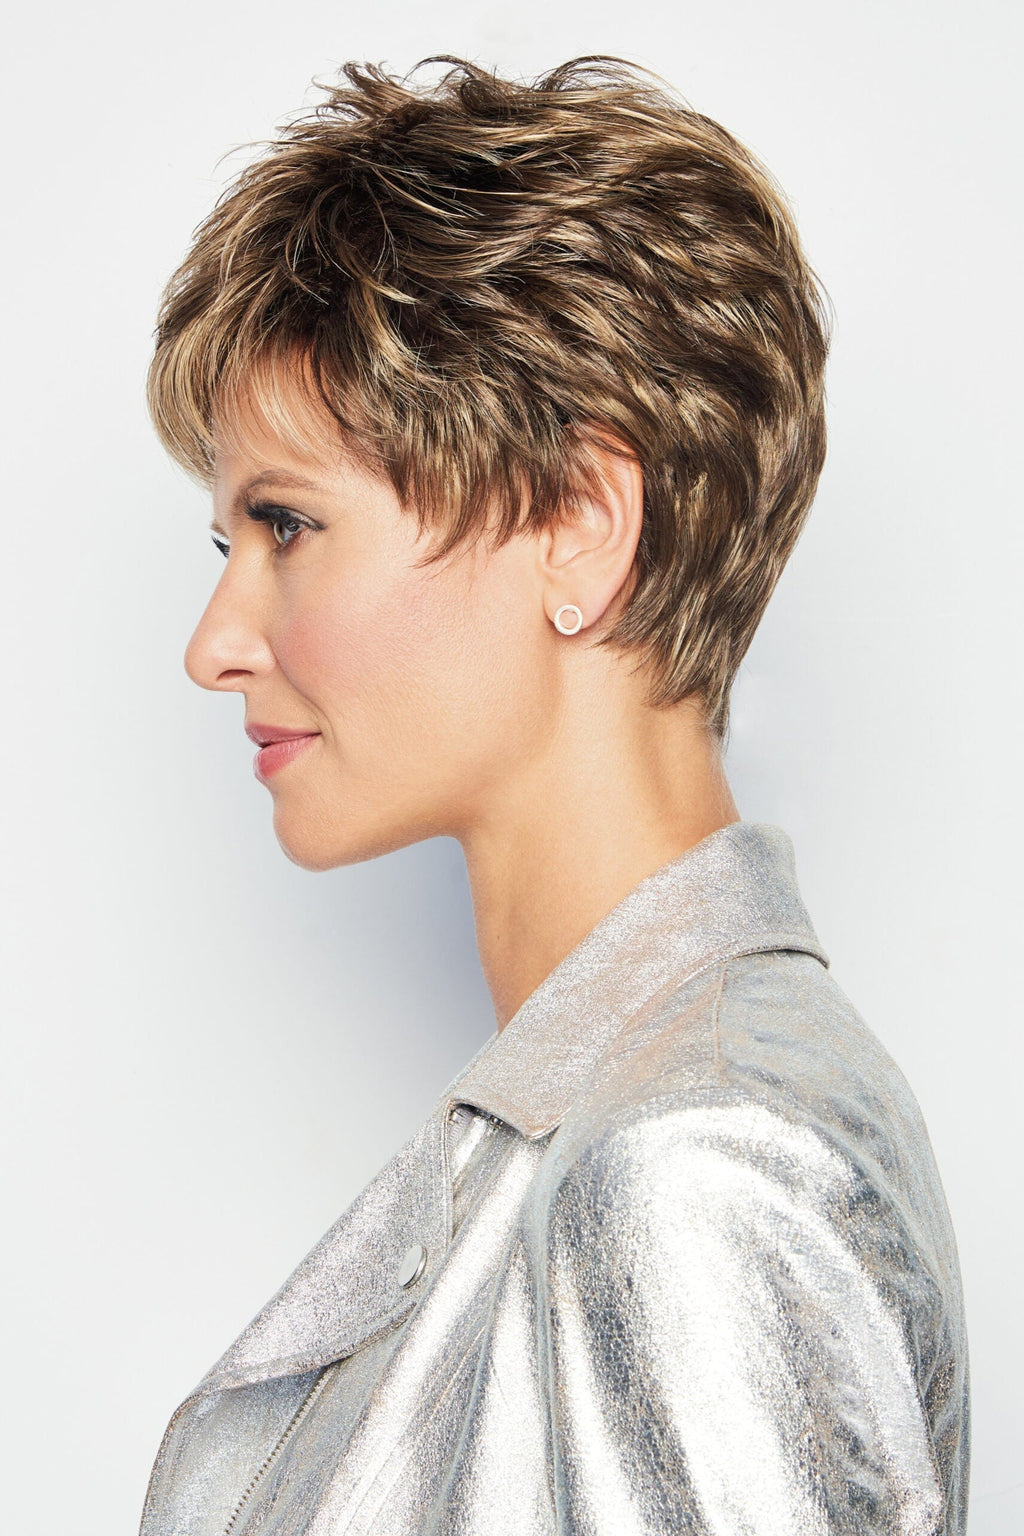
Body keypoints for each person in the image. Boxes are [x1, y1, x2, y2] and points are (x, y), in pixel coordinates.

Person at [139, 55, 969, 1536]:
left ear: (581, 524)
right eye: (228, 546)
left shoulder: (689, 1167)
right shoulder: (632, 1113)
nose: (215, 646)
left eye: (289, 525)